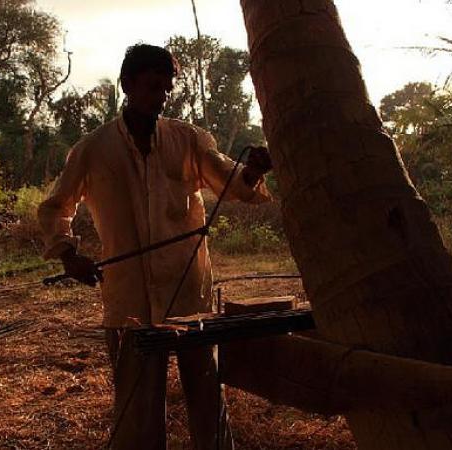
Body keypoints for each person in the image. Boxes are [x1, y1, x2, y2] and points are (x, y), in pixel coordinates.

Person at [38, 43, 272, 450]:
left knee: (206, 393)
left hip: (189, 292)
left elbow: (231, 184)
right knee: (136, 408)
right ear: (128, 84)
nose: (161, 96)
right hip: (129, 299)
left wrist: (251, 170)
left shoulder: (188, 140)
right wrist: (68, 254)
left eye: (167, 89)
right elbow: (57, 206)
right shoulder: (93, 150)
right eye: (152, 86)